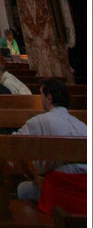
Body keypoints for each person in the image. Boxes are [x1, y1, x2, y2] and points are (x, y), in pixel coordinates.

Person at [14, 79, 87, 213]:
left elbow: (14, 142)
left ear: (49, 98)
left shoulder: (39, 121)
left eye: (41, 95)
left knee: (22, 189)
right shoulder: (82, 125)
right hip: (85, 188)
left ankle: (41, 226)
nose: (40, 99)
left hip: (61, 187)